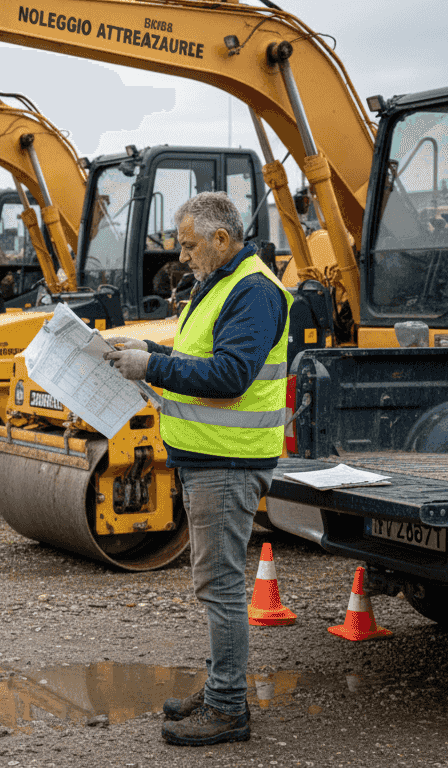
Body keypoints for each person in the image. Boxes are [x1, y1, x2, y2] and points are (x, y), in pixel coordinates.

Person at [103, 192, 291, 747]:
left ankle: (229, 708)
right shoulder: (222, 284)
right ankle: (219, 690)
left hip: (227, 461)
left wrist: (151, 366)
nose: (182, 256)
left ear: (221, 240)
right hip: (209, 457)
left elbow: (230, 376)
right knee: (216, 584)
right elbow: (205, 358)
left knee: (222, 586)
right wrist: (148, 349)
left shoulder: (254, 292)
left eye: (188, 246)